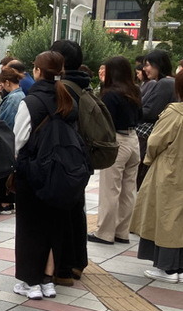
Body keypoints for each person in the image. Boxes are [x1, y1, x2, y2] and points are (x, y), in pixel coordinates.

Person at [11, 51, 83, 300]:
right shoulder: (67, 99)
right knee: (55, 225)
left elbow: (18, 141)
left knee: (30, 226)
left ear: (38, 71)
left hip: (33, 172)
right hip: (63, 173)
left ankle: (30, 282)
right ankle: (47, 280)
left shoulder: (30, 102)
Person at [49, 39, 94, 284]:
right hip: (82, 157)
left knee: (63, 212)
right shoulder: (84, 83)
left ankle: (63, 266)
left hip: (66, 156)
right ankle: (78, 261)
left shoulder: (63, 88)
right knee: (77, 208)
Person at [132, 71, 183, 282]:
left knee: (167, 217)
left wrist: (149, 160)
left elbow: (155, 142)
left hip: (171, 170)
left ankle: (168, 268)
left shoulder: (176, 112)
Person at [87, 56, 141, 246]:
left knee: (111, 189)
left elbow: (104, 121)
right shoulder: (134, 91)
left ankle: (105, 233)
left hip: (117, 141)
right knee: (128, 189)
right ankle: (122, 232)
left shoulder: (110, 94)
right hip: (134, 141)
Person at [137, 49, 176, 188]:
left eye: (147, 64)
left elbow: (151, 111)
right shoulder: (166, 82)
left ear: (158, 64)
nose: (144, 68)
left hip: (152, 136)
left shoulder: (165, 83)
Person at [0, 66, 25, 213]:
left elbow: (4, 123)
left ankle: (6, 202)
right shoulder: (20, 96)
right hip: (14, 143)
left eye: (1, 84)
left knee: (4, 174)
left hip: (8, 144)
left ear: (7, 83)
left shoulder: (13, 99)